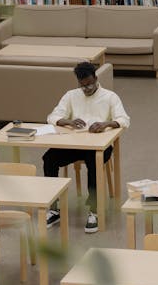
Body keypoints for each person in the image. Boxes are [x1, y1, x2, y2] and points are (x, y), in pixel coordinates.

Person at [43, 61, 130, 233]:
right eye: (83, 86)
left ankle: (94, 211)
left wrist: (106, 124)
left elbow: (124, 120)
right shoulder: (71, 95)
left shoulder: (110, 97)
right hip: (75, 144)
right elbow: (53, 116)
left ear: (96, 78)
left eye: (89, 84)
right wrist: (68, 121)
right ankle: (54, 207)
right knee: (49, 158)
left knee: (94, 163)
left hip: (100, 147)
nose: (87, 88)